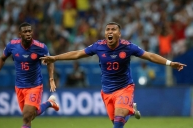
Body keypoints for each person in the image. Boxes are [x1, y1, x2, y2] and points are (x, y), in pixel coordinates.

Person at [40, 22, 186, 128]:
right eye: (107, 29)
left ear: (119, 33)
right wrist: (55, 58)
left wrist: (169, 63)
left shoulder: (127, 46)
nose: (110, 31)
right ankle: (131, 110)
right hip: (107, 91)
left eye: (113, 29)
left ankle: (127, 108)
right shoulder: (98, 46)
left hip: (124, 88)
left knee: (118, 121)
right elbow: (77, 54)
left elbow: (149, 56)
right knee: (118, 122)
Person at [0, 22, 59, 128]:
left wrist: (51, 78)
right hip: (19, 86)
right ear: (20, 34)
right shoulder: (12, 45)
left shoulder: (40, 47)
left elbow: (50, 61)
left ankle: (49, 103)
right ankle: (49, 103)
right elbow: (2, 58)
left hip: (35, 86)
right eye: (25, 32)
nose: (28, 33)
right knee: (30, 116)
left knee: (26, 116)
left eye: (30, 31)